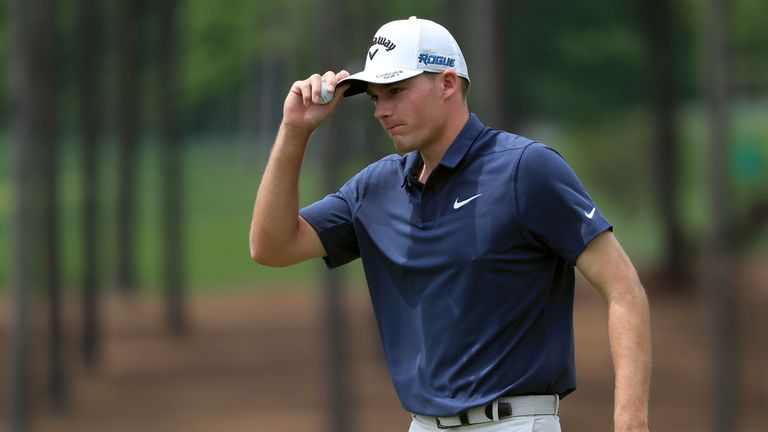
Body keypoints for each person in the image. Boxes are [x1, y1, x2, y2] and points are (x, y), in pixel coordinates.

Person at [250, 16, 651, 432]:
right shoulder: (376, 188)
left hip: (512, 424)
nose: (382, 111)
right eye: (374, 98)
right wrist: (294, 131)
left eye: (396, 91)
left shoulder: (525, 169)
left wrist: (630, 420)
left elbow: (623, 286)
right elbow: (271, 246)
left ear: (446, 83)